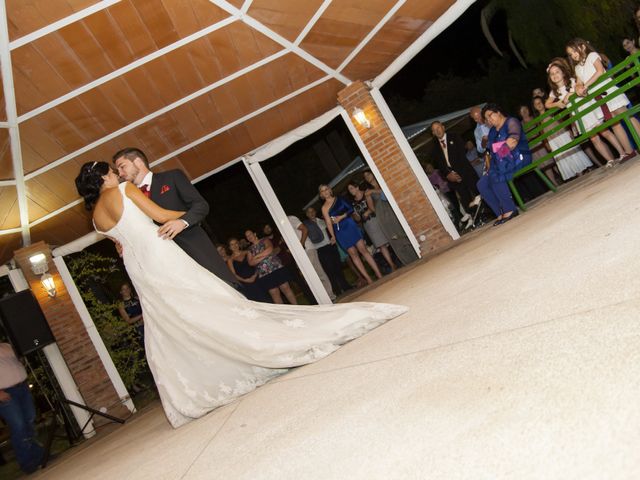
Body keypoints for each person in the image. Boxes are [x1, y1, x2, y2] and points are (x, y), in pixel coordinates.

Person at [75, 161, 408, 428]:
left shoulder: (95, 218)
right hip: (160, 253)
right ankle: (251, 345)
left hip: (139, 269)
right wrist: (186, 218)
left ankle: (203, 377)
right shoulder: (124, 189)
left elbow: (120, 243)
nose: (116, 173)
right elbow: (160, 217)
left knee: (173, 318)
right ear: (104, 176)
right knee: (211, 301)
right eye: (111, 170)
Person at [113, 147, 237, 285]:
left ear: (138, 162)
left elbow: (201, 205)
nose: (120, 174)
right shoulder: (129, 200)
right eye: (118, 170)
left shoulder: (172, 177)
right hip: (168, 268)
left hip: (195, 251)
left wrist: (182, 222)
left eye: (122, 167)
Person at [566, 38, 638, 163]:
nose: (573, 55)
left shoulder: (592, 55)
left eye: (574, 51)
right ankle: (629, 151)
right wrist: (578, 87)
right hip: (597, 98)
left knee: (625, 114)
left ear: (582, 47)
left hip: (607, 90)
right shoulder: (577, 68)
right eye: (571, 54)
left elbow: (599, 71)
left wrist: (586, 85)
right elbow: (578, 82)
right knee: (614, 122)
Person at [546, 56, 624, 168]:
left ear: (563, 73)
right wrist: (557, 104)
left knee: (604, 131)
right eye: (552, 74)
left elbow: (580, 87)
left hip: (587, 109)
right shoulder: (555, 92)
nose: (555, 75)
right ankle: (610, 159)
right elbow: (547, 104)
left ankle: (621, 152)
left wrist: (570, 94)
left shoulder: (572, 82)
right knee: (593, 139)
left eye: (557, 72)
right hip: (578, 116)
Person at [477, 103, 531, 226]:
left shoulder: (511, 122)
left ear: (498, 112)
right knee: (481, 184)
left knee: (496, 173)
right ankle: (500, 212)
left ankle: (510, 209)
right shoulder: (492, 132)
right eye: (487, 118)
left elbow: (512, 143)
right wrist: (497, 152)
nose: (489, 120)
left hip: (520, 157)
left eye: (490, 115)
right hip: (502, 162)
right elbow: (490, 151)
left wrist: (498, 152)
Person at [319, 184, 382, 285]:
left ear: (330, 190)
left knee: (363, 250)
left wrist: (341, 217)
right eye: (322, 191)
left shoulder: (340, 199)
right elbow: (328, 223)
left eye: (326, 189)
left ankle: (378, 274)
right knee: (353, 255)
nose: (325, 192)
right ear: (321, 195)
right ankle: (368, 279)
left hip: (349, 225)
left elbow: (351, 209)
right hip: (339, 231)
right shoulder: (324, 208)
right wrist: (333, 236)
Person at [0, 342, 45, 473]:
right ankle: (27, 463)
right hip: (6, 392)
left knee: (29, 420)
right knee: (18, 425)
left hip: (22, 388)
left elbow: (18, 361)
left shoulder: (6, 345)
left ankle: (38, 455)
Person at [362, 170, 418, 265]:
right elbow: (371, 207)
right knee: (394, 238)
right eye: (365, 177)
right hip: (384, 216)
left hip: (395, 211)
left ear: (373, 173)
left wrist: (374, 191)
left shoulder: (383, 182)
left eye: (368, 174)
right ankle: (408, 260)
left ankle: (416, 253)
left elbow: (390, 191)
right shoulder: (367, 192)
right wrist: (381, 213)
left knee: (403, 232)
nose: (367, 177)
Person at [532, 94, 592, 181]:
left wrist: (568, 131)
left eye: (540, 102)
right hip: (552, 140)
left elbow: (561, 121)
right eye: (536, 104)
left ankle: (582, 170)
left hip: (562, 134)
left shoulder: (551, 111)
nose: (539, 105)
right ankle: (577, 173)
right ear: (534, 107)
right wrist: (546, 143)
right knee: (563, 156)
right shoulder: (538, 120)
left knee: (571, 151)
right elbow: (542, 134)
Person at [430, 121, 481, 212]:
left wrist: (457, 174)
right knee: (466, 200)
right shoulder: (434, 148)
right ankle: (476, 218)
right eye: (434, 130)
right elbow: (440, 167)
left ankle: (491, 212)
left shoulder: (454, 136)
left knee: (480, 192)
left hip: (466, 172)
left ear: (443, 127)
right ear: (433, 133)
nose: (437, 131)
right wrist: (448, 175)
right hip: (452, 178)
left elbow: (461, 154)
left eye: (438, 128)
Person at [347, 182, 397, 273]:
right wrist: (354, 216)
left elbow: (374, 206)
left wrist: (368, 211)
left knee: (391, 238)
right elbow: (358, 219)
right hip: (368, 225)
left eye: (351, 188)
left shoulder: (366, 193)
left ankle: (400, 257)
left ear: (357, 187)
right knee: (381, 245)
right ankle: (392, 264)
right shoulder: (353, 203)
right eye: (349, 190)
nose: (351, 191)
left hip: (377, 218)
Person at [304, 207, 352, 296]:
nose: (312, 213)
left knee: (338, 267)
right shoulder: (306, 225)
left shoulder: (322, 220)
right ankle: (336, 290)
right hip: (320, 249)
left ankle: (346, 286)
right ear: (306, 214)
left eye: (313, 211)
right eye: (309, 212)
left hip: (330, 246)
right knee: (329, 270)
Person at [287, 215, 336, 301]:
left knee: (318, 273)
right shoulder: (283, 225)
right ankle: (322, 298)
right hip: (299, 254)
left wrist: (301, 244)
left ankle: (330, 296)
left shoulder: (290, 219)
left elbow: (305, 229)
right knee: (310, 277)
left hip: (308, 249)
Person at [245, 229, 297, 305]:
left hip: (276, 267)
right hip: (264, 273)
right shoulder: (249, 250)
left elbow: (269, 249)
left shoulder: (264, 240)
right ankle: (285, 315)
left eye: (250, 234)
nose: (249, 237)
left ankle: (297, 307)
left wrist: (256, 256)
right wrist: (265, 255)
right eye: (247, 236)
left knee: (286, 288)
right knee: (275, 294)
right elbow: (250, 262)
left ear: (254, 233)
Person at [226, 237, 271, 303]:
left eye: (236, 243)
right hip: (246, 284)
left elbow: (257, 263)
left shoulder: (248, 252)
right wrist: (245, 280)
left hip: (257, 279)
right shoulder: (230, 260)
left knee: (267, 300)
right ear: (229, 247)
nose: (234, 246)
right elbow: (234, 274)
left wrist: (255, 275)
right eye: (232, 244)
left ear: (238, 244)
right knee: (256, 304)